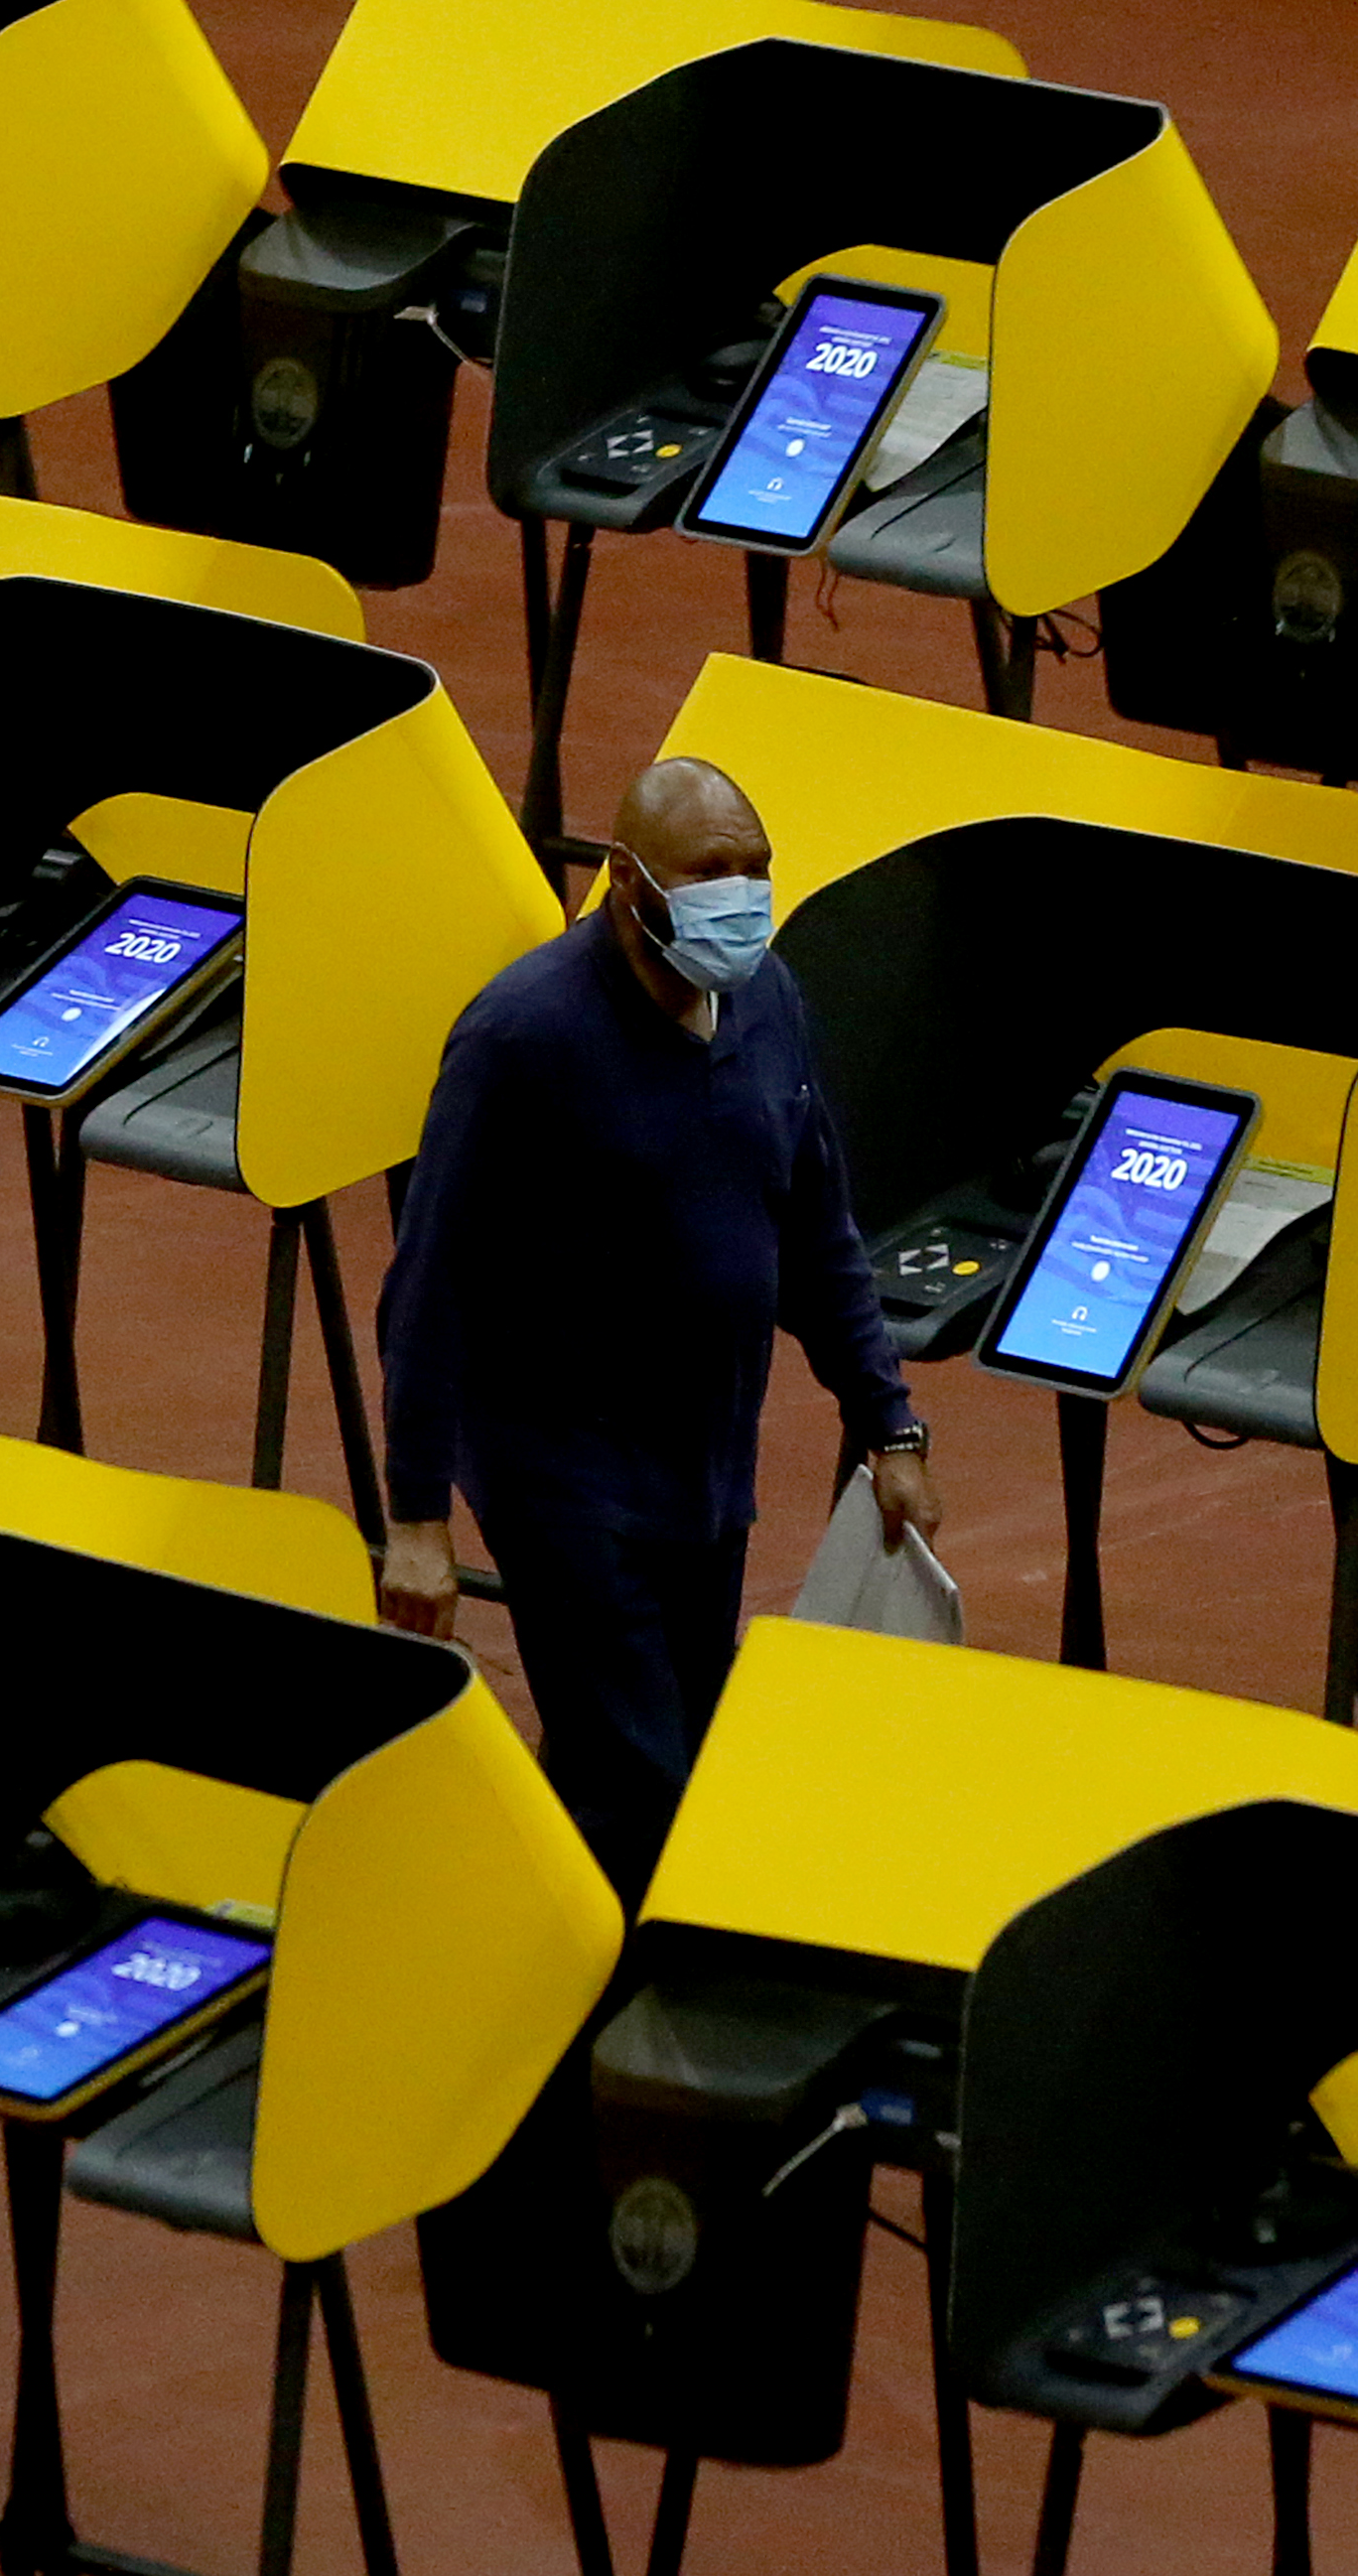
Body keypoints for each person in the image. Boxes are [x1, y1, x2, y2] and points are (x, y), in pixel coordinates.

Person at [375, 756, 940, 1886]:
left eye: (755, 868)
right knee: (648, 1787)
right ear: (628, 881)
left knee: (634, 1749)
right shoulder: (520, 1037)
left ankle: (527, 1951)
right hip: (562, 1474)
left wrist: (891, 1427)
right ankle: (620, 2029)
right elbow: (430, 1282)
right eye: (709, 871)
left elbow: (818, 1228)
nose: (740, 893)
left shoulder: (772, 999)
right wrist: (418, 1518)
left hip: (707, 1469)